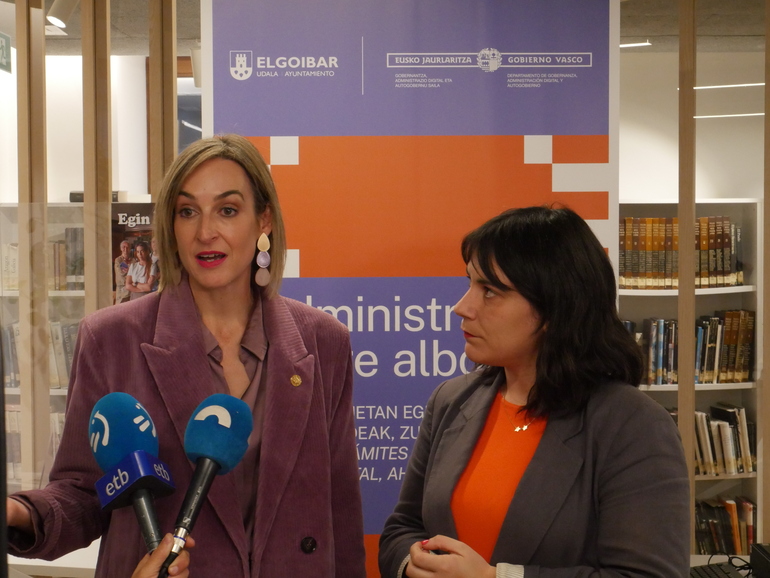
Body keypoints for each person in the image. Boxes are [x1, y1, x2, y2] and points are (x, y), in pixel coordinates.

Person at [7, 134, 366, 577]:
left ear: (264, 221)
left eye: (227, 210)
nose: (205, 232)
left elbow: (340, 509)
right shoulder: (111, 338)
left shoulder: (324, 341)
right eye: (187, 211)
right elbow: (84, 493)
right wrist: (19, 512)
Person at [378, 206, 690, 578]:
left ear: (555, 308)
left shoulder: (633, 425)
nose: (462, 307)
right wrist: (412, 565)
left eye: (489, 291)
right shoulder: (451, 399)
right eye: (470, 283)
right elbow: (403, 528)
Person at [114, 239, 132, 304]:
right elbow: (121, 274)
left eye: (127, 247)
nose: (125, 249)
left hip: (132, 290)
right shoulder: (118, 260)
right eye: (124, 247)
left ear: (130, 249)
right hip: (122, 291)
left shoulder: (133, 260)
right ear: (121, 248)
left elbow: (136, 274)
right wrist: (131, 279)